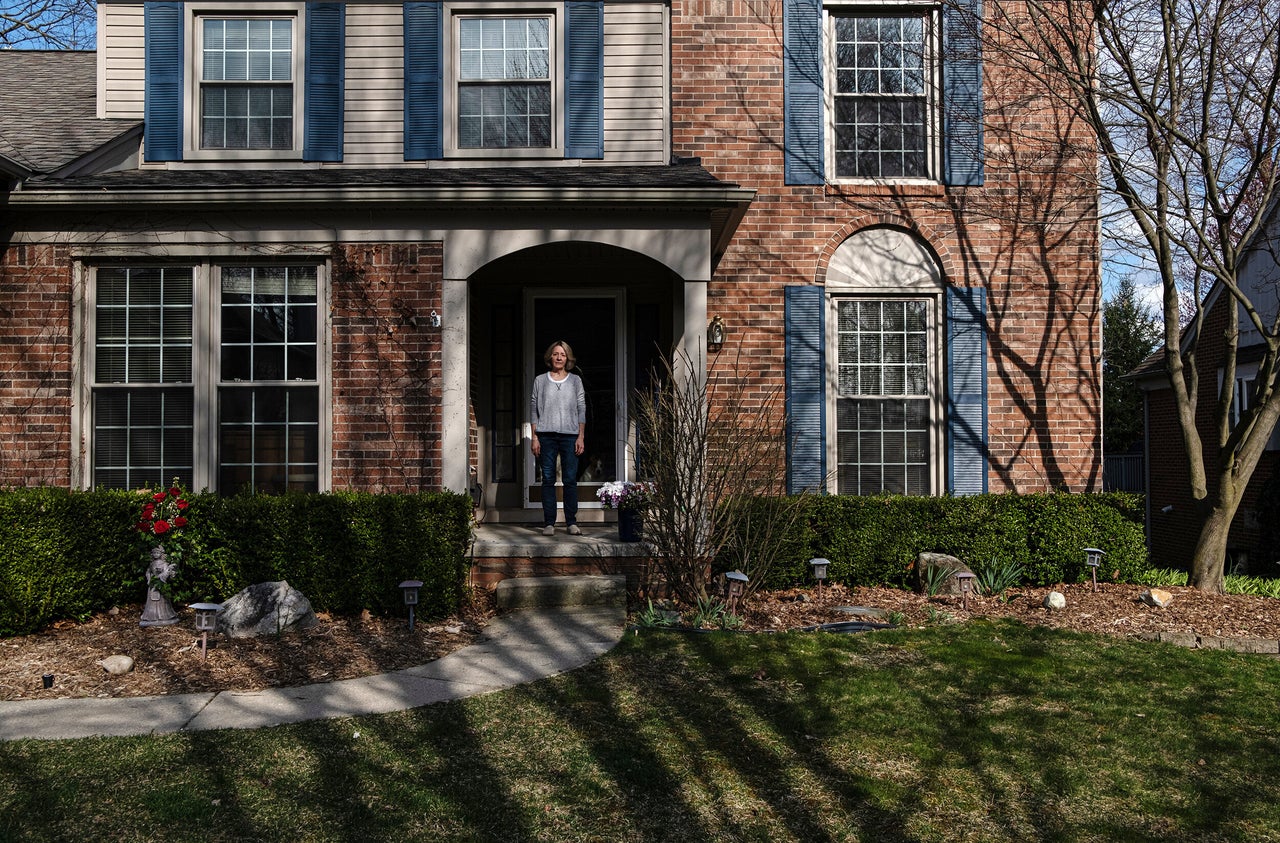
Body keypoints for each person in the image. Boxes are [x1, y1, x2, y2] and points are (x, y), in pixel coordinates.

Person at [531, 340, 587, 536]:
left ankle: (571, 522)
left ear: (567, 358)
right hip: (546, 436)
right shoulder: (540, 380)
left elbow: (582, 408)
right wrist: (535, 437)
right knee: (548, 480)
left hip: (570, 436)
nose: (559, 357)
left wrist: (581, 436)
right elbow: (533, 409)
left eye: (562, 354)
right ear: (550, 357)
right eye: (555, 354)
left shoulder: (575, 381)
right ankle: (549, 523)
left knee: (570, 480)